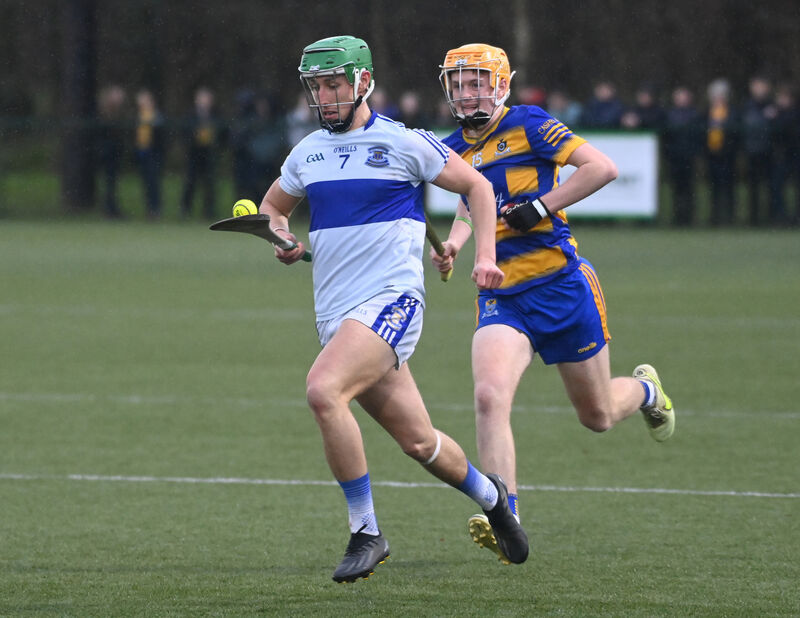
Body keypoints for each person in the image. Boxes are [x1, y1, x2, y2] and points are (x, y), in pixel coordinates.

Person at [256, 35, 528, 583]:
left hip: (392, 302)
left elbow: (478, 187)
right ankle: (493, 498)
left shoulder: (405, 143)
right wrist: (280, 236)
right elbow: (273, 208)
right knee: (420, 442)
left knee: (323, 390)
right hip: (336, 314)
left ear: (362, 84)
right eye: (317, 87)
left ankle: (366, 532)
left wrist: (486, 256)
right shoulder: (307, 152)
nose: (325, 96)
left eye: (335, 84)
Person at [431, 43, 675, 563]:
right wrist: (455, 242)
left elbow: (601, 168)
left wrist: (541, 205)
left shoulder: (530, 124)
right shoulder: (453, 146)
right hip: (502, 296)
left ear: (500, 86)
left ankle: (648, 390)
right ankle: (506, 515)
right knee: (489, 395)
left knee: (599, 416)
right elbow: (467, 201)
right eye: (460, 82)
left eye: (477, 81)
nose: (468, 91)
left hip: (561, 286)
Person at [180, 87, 225, 220]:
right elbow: (185, 133)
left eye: (207, 99)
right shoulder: (190, 114)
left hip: (209, 154)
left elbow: (223, 133)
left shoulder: (216, 114)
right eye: (202, 98)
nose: (204, 101)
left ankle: (209, 211)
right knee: (190, 182)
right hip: (194, 153)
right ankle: (185, 210)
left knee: (209, 183)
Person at [663, 86, 702, 226]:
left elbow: (698, 137)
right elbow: (667, 138)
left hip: (689, 157)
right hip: (675, 157)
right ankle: (678, 217)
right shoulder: (670, 115)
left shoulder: (695, 115)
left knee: (689, 189)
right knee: (677, 189)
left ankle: (689, 217)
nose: (681, 100)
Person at [704, 79, 738, 226]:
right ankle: (715, 217)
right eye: (715, 95)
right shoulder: (706, 113)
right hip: (712, 155)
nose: (718, 98)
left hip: (727, 155)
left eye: (721, 95)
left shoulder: (732, 113)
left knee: (728, 187)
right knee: (714, 187)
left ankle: (730, 217)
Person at [133, 88, 166, 220]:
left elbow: (161, 138)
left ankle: (155, 209)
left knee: (153, 182)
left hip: (154, 154)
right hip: (142, 153)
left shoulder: (157, 117)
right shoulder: (137, 116)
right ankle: (149, 210)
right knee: (146, 182)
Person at [96, 85, 127, 219]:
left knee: (112, 183)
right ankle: (109, 209)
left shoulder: (119, 113)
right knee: (109, 182)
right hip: (106, 153)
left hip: (114, 153)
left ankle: (112, 208)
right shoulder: (105, 113)